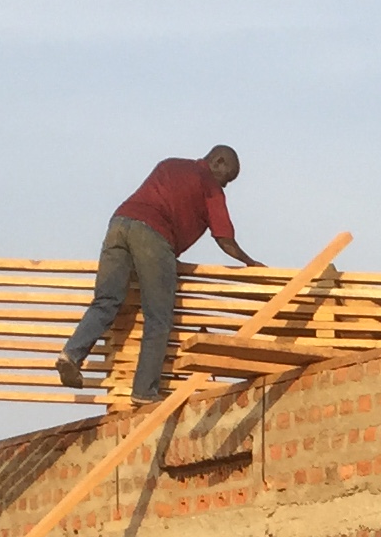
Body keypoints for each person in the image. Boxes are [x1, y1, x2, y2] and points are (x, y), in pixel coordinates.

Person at [58, 147, 262, 405]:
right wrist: (251, 263)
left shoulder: (170, 164)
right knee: (158, 317)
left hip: (119, 223)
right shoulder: (209, 185)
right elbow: (224, 238)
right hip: (154, 235)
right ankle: (144, 391)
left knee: (106, 300)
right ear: (218, 161)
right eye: (227, 177)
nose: (225, 184)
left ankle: (71, 355)